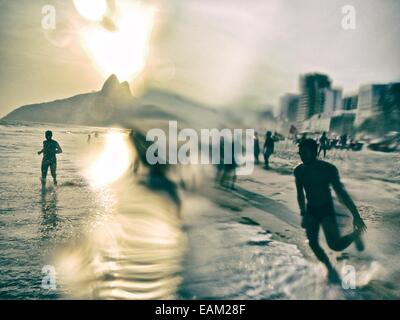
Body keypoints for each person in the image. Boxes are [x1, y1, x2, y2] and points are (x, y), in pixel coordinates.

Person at [294, 139, 366, 282]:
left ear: (315, 152)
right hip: (311, 211)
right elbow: (300, 194)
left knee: (335, 245)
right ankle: (329, 267)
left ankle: (356, 235)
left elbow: (341, 194)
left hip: (326, 209)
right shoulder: (299, 171)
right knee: (313, 243)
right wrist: (303, 213)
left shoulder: (328, 169)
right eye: (300, 153)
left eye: (305, 153)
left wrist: (356, 215)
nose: (301, 156)